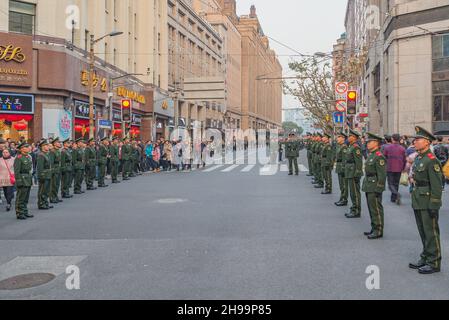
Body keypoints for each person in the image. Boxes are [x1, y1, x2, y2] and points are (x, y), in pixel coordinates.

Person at [408, 126, 443, 275]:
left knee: (431, 232)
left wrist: (434, 204)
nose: (415, 142)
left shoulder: (431, 161)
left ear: (427, 142)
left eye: (418, 140)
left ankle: (434, 261)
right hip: (418, 198)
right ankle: (426, 256)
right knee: (423, 231)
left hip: (428, 199)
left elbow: (436, 185)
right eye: (414, 140)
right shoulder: (419, 158)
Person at [362, 133, 387, 239]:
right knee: (371, 208)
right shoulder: (371, 154)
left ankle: (378, 230)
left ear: (376, 143)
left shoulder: (379, 156)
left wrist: (379, 187)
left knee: (376, 209)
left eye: (370, 142)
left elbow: (382, 174)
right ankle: (374, 227)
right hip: (369, 184)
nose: (367, 143)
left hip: (374, 185)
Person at [383, 133, 406, 205]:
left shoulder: (388, 147)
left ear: (392, 139)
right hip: (399, 167)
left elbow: (384, 157)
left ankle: (396, 194)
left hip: (390, 167)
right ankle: (393, 197)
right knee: (396, 183)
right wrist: (403, 167)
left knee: (390, 184)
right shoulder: (402, 148)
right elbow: (404, 159)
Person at [345, 129, 364, 218]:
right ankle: (353, 208)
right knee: (352, 192)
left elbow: (359, 162)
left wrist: (358, 173)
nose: (348, 138)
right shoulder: (351, 146)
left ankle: (356, 210)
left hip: (353, 172)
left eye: (350, 136)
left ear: (354, 138)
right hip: (350, 171)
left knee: (355, 193)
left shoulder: (356, 147)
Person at [13, 142, 34, 220]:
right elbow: (16, 171)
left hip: (27, 178)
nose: (29, 148)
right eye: (26, 147)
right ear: (22, 149)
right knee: (20, 197)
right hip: (22, 179)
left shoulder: (28, 157)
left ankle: (25, 211)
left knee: (26, 197)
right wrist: (18, 181)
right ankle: (19, 212)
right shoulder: (18, 158)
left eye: (28, 147)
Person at [37, 139, 53, 210]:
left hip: (48, 174)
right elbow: (40, 167)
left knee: (47, 190)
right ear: (42, 147)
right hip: (44, 175)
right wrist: (42, 176)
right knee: (42, 190)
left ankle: (45, 202)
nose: (48, 146)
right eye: (46, 145)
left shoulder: (46, 154)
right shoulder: (41, 155)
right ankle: (41, 203)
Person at [335, 131, 349, 207]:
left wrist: (344, 169)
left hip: (342, 167)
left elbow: (344, 159)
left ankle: (344, 199)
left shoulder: (344, 147)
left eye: (339, 137)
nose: (337, 138)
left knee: (344, 185)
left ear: (343, 138)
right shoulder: (340, 146)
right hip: (339, 166)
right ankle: (342, 198)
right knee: (341, 185)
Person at [49, 137, 63, 204]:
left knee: (57, 184)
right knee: (53, 185)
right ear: (54, 144)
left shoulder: (58, 151)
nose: (60, 143)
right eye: (58, 142)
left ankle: (55, 196)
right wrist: (52, 171)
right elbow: (51, 163)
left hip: (58, 169)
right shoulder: (52, 151)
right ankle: (52, 197)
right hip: (54, 170)